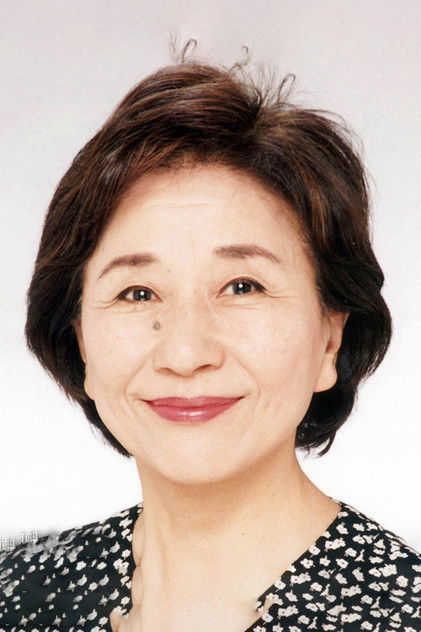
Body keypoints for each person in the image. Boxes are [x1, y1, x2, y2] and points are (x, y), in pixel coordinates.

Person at [0, 57, 420, 632]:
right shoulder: (18, 593)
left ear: (330, 337)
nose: (185, 353)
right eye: (137, 293)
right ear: (80, 345)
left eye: (243, 286)